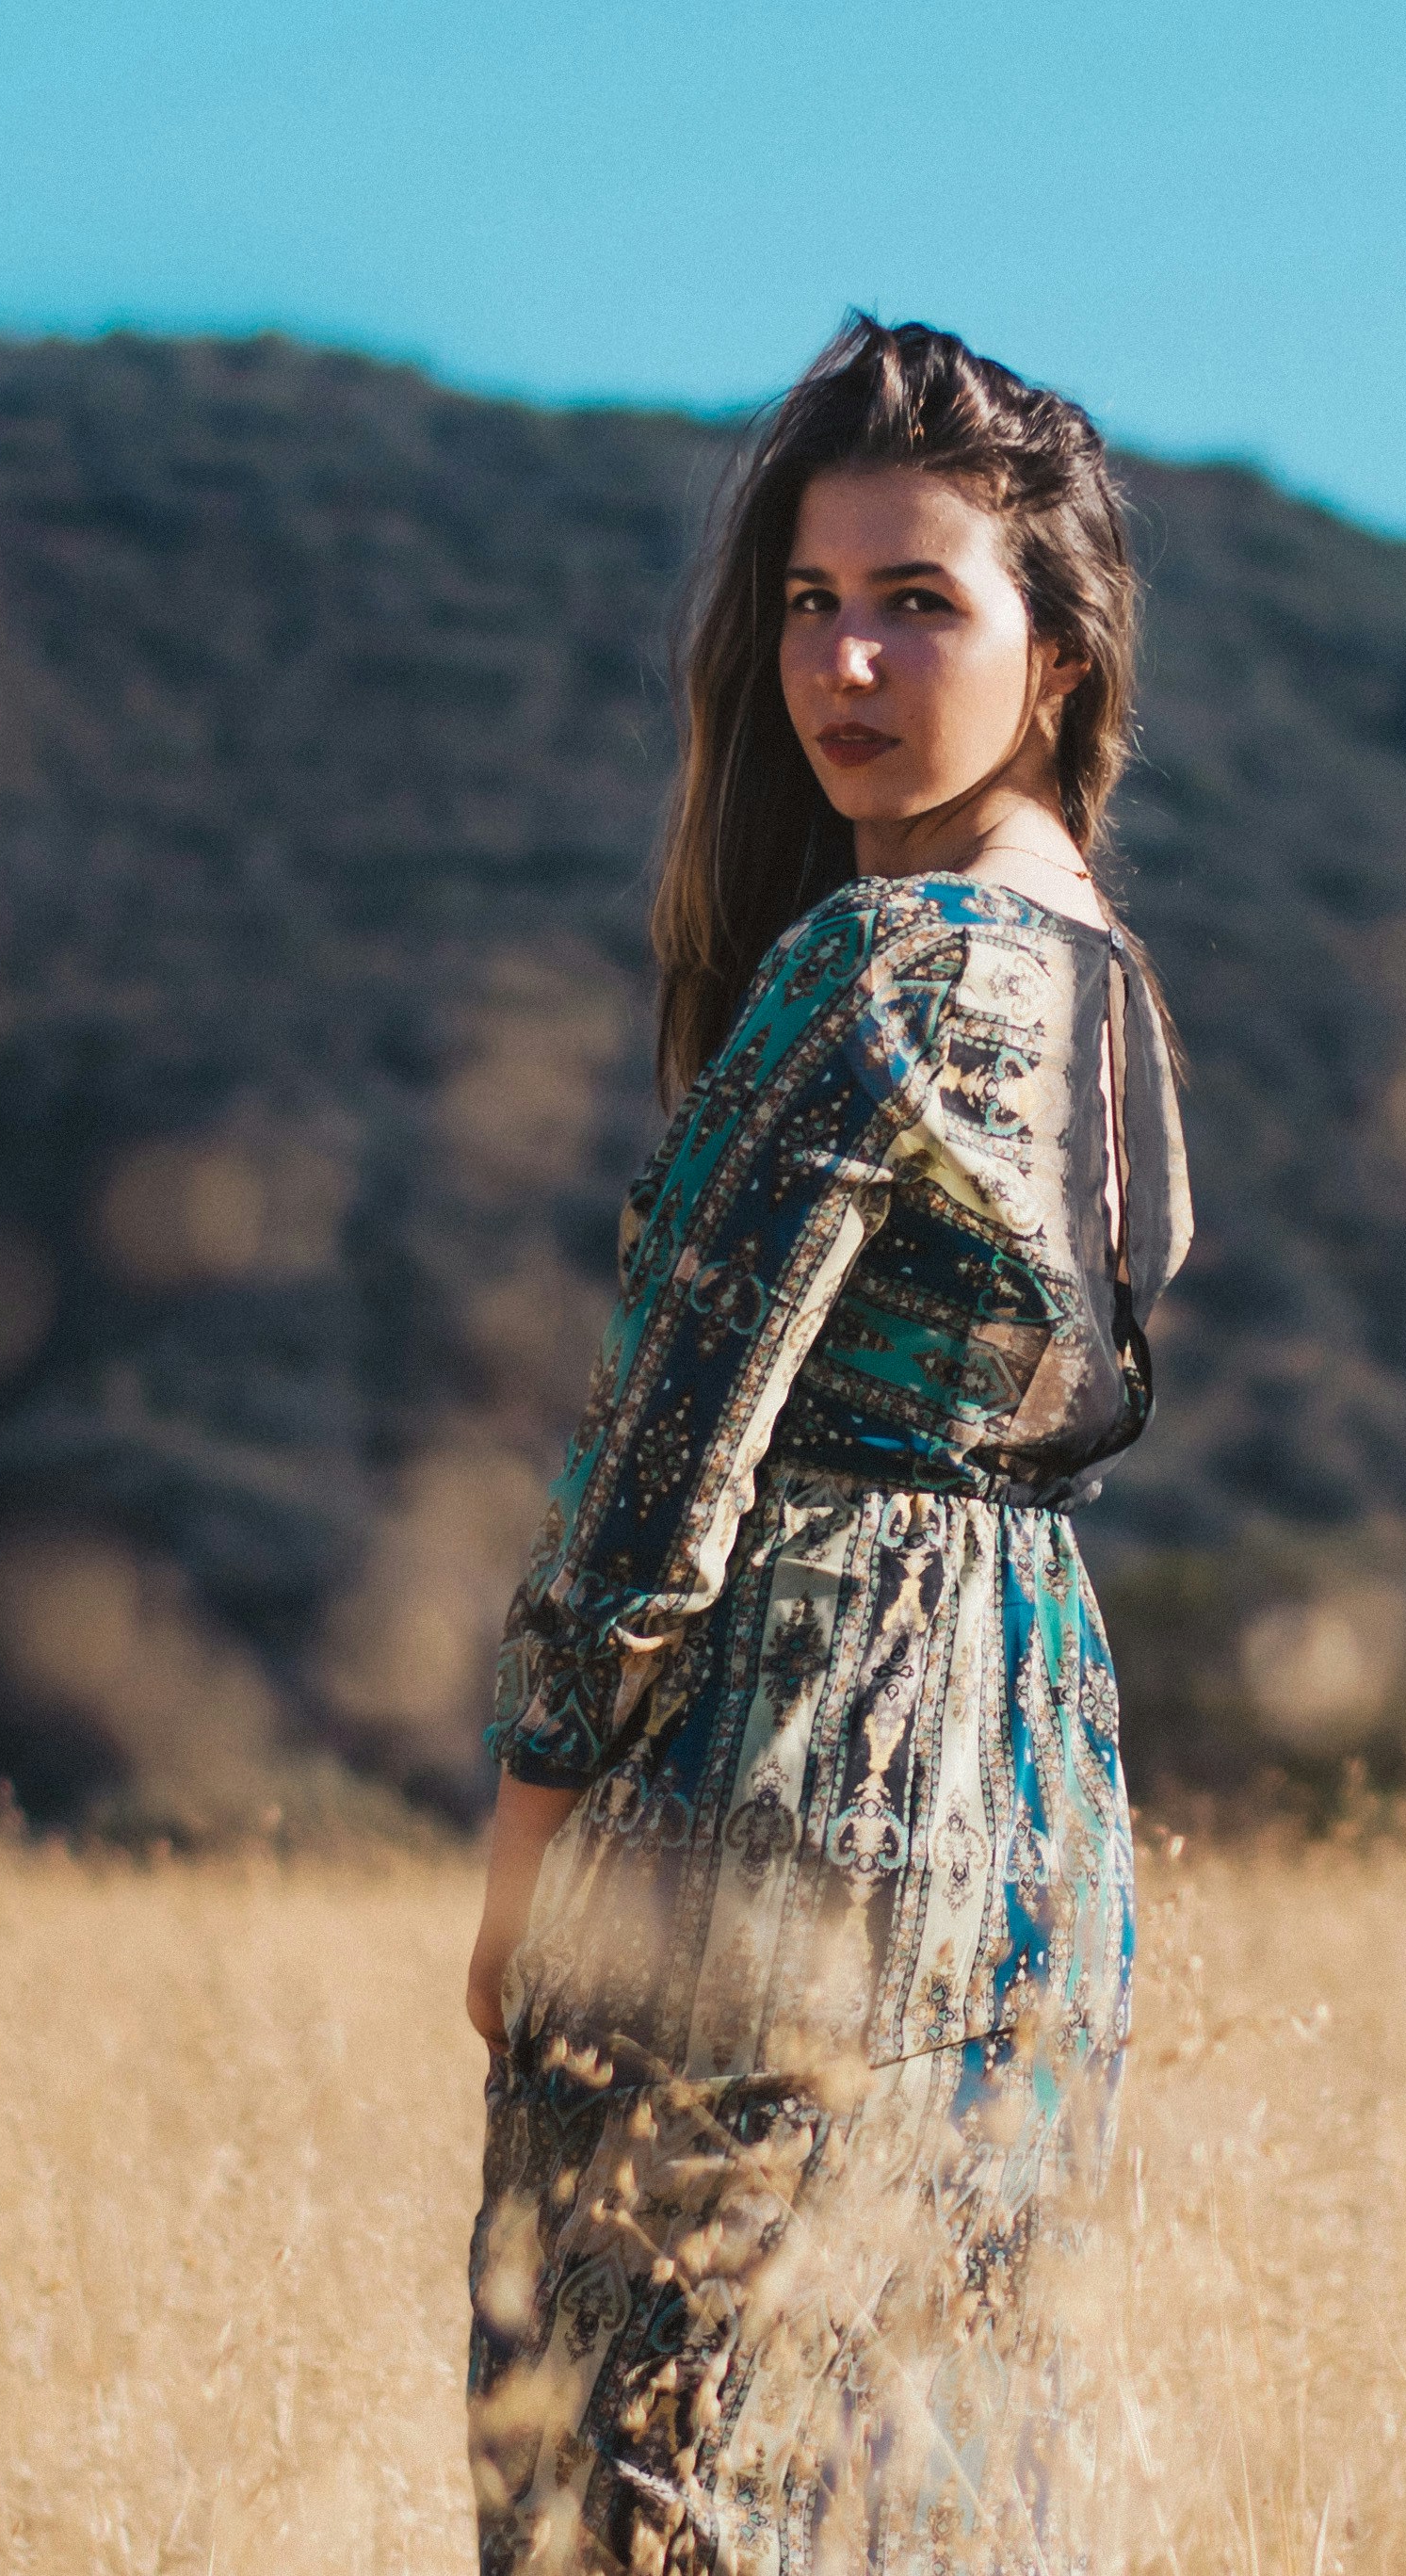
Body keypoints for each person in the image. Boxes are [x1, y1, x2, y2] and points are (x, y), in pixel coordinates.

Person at [461, 316, 1191, 2573]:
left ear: (1057, 658)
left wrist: (526, 1835)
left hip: (782, 1780)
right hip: (1038, 1811)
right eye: (809, 599)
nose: (843, 661)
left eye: (918, 603)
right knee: (940, 2500)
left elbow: (661, 1465)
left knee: (636, 2498)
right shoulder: (1122, 1008)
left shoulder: (877, 967)